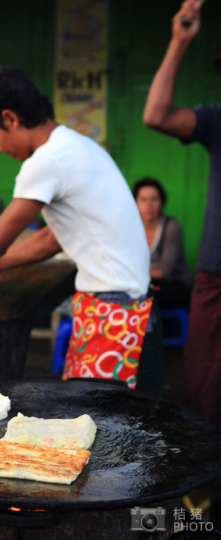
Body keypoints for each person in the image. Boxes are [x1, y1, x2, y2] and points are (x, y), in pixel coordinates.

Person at [0, 65, 164, 396]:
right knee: (124, 421)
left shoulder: (46, 161)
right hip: (136, 308)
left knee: (102, 422)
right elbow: (50, 238)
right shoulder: (77, 144)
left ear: (10, 119)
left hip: (114, 315)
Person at [143, 0, 220, 514]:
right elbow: (155, 115)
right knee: (204, 384)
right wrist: (179, 41)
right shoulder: (217, 121)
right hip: (215, 277)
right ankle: (206, 489)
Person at [133, 177, 191, 309]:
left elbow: (164, 272)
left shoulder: (171, 227)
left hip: (172, 285)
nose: (149, 205)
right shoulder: (131, 229)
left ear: (162, 202)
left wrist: (130, 273)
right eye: (143, 199)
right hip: (144, 283)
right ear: (135, 203)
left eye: (154, 199)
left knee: (148, 295)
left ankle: (151, 329)